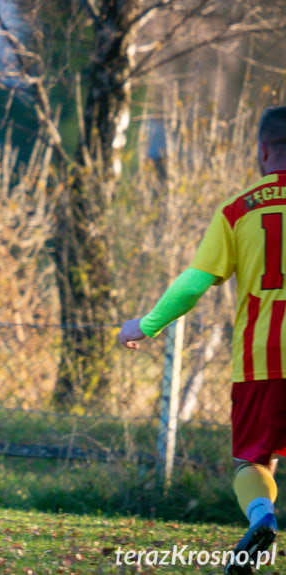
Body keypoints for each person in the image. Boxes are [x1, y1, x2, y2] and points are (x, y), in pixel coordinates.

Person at [118, 106, 286, 574]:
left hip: (261, 361)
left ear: (262, 149)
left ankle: (262, 517)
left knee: (253, 461)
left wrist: (146, 324)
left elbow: (194, 284)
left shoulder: (238, 210)